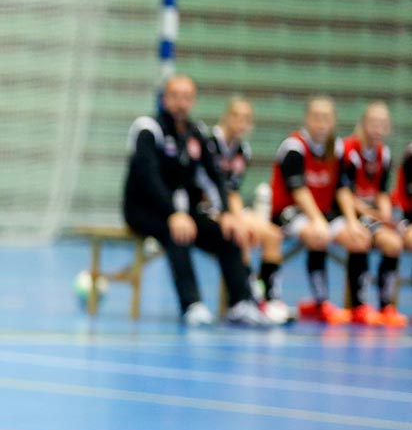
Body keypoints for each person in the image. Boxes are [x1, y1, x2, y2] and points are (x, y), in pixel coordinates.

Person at [122, 74, 271, 327]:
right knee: (178, 233)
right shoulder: (148, 129)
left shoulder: (195, 133)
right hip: (144, 210)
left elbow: (214, 177)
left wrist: (227, 214)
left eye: (187, 97)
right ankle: (192, 304)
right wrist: (172, 213)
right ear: (165, 98)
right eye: (175, 96)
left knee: (227, 233)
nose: (181, 103)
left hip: (182, 212)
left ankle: (241, 303)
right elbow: (148, 177)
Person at [269, 95, 356, 324]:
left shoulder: (337, 149)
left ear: (334, 121)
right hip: (288, 211)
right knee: (318, 235)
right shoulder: (294, 147)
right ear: (307, 119)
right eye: (316, 117)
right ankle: (319, 301)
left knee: (358, 238)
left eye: (326, 117)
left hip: (323, 211)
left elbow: (342, 189)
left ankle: (359, 305)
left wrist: (352, 221)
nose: (321, 122)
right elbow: (299, 191)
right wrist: (317, 220)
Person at [208, 96, 291, 324]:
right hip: (207, 209)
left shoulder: (242, 150)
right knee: (240, 235)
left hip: (229, 208)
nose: (241, 123)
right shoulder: (208, 142)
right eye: (236, 116)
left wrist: (239, 216)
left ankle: (270, 297)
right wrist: (235, 219)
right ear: (226, 116)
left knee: (273, 234)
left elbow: (232, 190)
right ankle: (246, 298)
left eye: (247, 119)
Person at [338, 101, 405, 327]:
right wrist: (371, 213)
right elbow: (343, 192)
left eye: (382, 123)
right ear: (363, 124)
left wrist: (385, 215)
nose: (377, 127)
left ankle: (387, 306)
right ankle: (359, 305)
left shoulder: (383, 154)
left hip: (372, 215)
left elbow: (383, 192)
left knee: (393, 243)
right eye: (373, 122)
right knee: (361, 239)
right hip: (347, 212)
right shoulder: (347, 150)